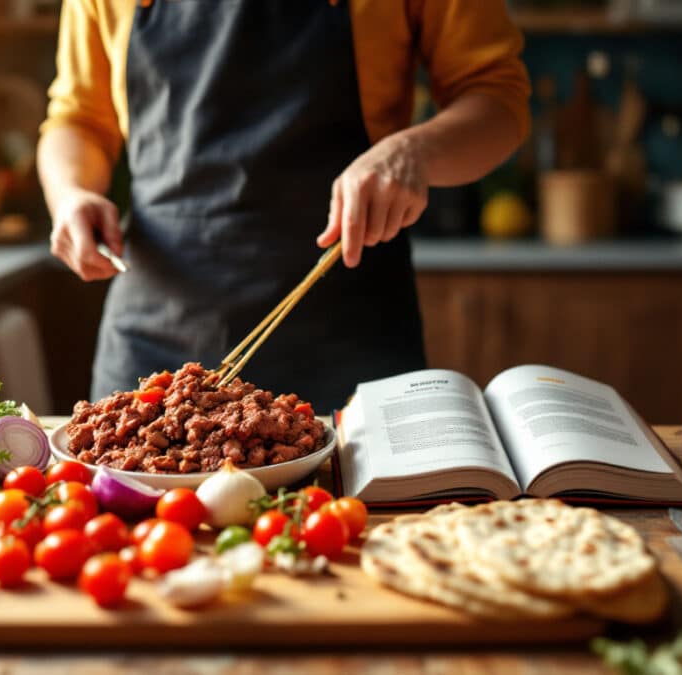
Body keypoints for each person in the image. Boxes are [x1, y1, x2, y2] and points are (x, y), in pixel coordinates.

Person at [39, 0, 530, 412]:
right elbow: (78, 117)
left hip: (350, 331)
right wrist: (70, 194)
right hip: (156, 335)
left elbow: (496, 97)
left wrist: (414, 153)